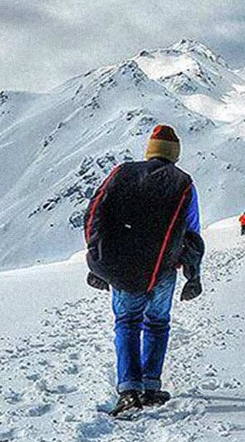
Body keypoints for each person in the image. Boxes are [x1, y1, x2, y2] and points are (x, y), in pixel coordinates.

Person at [84, 124, 205, 416]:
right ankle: (151, 387)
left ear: (149, 149)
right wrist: (193, 272)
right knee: (157, 324)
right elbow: (193, 231)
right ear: (174, 153)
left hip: (123, 268)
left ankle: (128, 389)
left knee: (126, 322)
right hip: (164, 269)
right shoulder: (184, 183)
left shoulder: (122, 173)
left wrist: (98, 260)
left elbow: (94, 215)